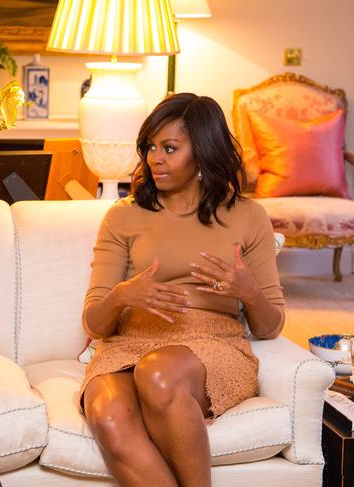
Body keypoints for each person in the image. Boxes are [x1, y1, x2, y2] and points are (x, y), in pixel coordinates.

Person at [80, 93, 284, 487]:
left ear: (204, 152)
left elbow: (270, 326)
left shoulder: (247, 216)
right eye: (150, 147)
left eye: (170, 148)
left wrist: (248, 292)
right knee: (106, 414)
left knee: (158, 373)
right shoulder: (124, 216)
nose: (155, 158)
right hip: (129, 343)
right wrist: (123, 295)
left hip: (211, 345)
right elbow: (93, 322)